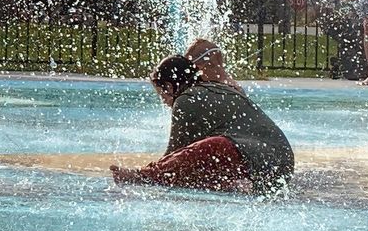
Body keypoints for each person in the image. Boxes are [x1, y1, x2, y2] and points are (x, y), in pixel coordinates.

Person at [110, 55, 294, 194]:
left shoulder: (186, 99)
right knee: (201, 164)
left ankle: (142, 177)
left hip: (251, 155)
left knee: (213, 147)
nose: (165, 102)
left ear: (170, 86)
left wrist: (150, 173)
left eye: (162, 94)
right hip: (280, 166)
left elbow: (177, 155)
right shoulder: (216, 88)